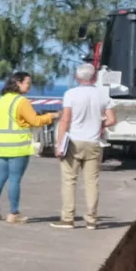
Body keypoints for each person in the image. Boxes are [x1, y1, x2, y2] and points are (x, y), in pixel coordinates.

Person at [51, 62, 117, 229]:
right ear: (94, 77)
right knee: (91, 182)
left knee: (69, 180)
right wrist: (100, 126)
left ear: (77, 78)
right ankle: (91, 219)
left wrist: (59, 143)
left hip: (73, 141)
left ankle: (68, 218)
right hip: (93, 142)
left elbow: (65, 120)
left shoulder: (70, 94)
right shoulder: (103, 95)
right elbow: (112, 120)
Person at [0, 71, 54, 223]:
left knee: (0, 178)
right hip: (17, 147)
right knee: (15, 179)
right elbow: (35, 121)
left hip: (1, 145)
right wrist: (52, 116)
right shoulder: (21, 101)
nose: (29, 87)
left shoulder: (0, 101)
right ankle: (14, 214)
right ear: (18, 83)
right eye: (27, 83)